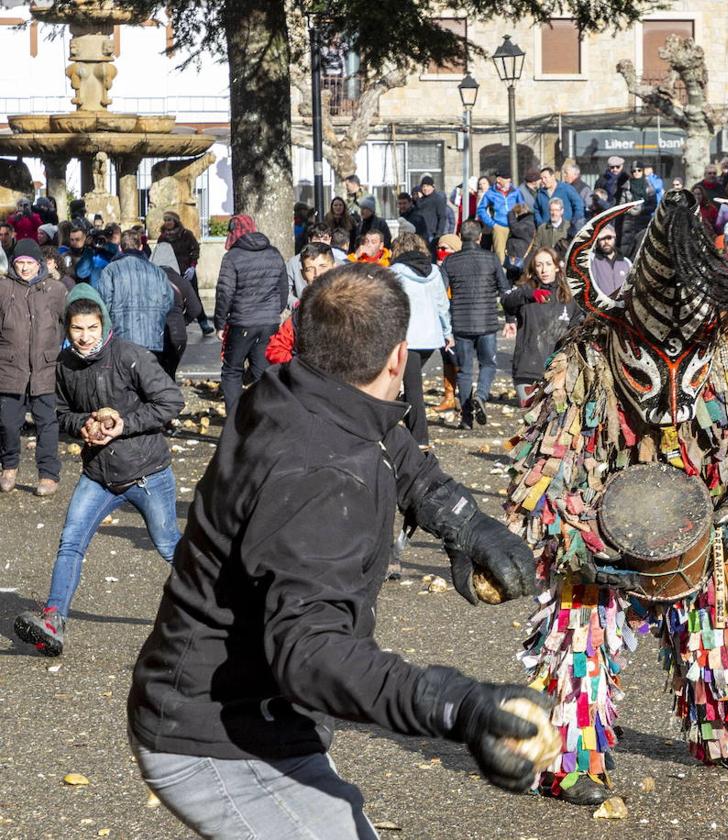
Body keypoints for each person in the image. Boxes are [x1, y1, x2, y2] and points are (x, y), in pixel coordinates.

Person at [127, 263, 549, 835]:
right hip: (217, 733)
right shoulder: (322, 476)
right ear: (400, 358)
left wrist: (463, 520)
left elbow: (394, 448)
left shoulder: (293, 387)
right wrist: (456, 704)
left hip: (262, 715)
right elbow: (309, 651)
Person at [508, 194, 728, 806]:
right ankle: (570, 756)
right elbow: (542, 471)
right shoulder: (588, 353)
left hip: (700, 522)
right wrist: (578, 537)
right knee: (581, 634)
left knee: (723, 623)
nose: (673, 400)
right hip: (602, 527)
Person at [14, 286, 184, 656]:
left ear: (103, 323)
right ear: (68, 329)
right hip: (99, 476)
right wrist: (83, 426)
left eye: (91, 327)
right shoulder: (65, 366)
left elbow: (172, 400)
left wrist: (125, 423)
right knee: (70, 542)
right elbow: (59, 412)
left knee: (169, 544)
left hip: (147, 472)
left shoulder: (130, 356)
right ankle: (53, 620)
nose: (85, 336)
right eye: (77, 329)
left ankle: (225, 605)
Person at [0, 240, 67, 496]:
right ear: (13, 264)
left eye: (29, 263)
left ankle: (48, 474)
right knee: (7, 422)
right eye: (20, 263)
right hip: (9, 367)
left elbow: (66, 321)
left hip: (45, 367)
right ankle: (8, 467)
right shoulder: (3, 288)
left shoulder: (55, 289)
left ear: (39, 263)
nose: (25, 268)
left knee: (47, 423)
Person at [214, 214, 288, 416]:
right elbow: (283, 289)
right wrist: (275, 312)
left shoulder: (232, 257)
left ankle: (236, 420)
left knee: (232, 370)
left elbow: (224, 292)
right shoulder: (274, 253)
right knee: (261, 370)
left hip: (242, 321)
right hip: (269, 320)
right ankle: (264, 416)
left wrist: (220, 323)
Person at [442, 220, 510, 429]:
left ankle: (466, 418)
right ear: (480, 238)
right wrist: (510, 318)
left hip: (460, 323)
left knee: (464, 371)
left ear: (460, 237)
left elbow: (442, 294)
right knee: (488, 364)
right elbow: (504, 288)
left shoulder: (450, 262)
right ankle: (480, 395)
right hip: (487, 322)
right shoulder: (490, 259)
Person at [389, 232, 451, 448]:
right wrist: (447, 332)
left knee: (412, 388)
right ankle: (411, 426)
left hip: (408, 337)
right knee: (409, 386)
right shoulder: (434, 271)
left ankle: (419, 438)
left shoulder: (395, 273)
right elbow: (442, 305)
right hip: (430, 338)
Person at [502, 247, 580, 406]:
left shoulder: (569, 296)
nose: (543, 269)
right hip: (528, 368)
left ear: (557, 266)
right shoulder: (526, 290)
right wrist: (529, 295)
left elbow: (576, 329)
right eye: (539, 265)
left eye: (548, 264)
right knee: (530, 418)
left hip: (557, 371)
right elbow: (506, 301)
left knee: (553, 421)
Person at [95, 229, 173, 358]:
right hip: (152, 338)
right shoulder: (157, 271)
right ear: (141, 247)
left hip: (121, 339)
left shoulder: (111, 270)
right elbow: (168, 302)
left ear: (120, 248)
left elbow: (103, 303)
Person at [264, 243, 337, 366]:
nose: (317, 274)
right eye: (310, 269)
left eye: (323, 266)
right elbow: (276, 348)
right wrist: (298, 370)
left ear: (334, 268)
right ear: (303, 274)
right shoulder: (301, 313)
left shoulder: (354, 305)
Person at [150, 242, 203, 380]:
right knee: (169, 375)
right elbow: (196, 308)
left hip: (152, 334)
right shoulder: (181, 282)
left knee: (153, 377)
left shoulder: (147, 280)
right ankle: (171, 399)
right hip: (177, 334)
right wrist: (183, 321)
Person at [156, 211, 212, 336]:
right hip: (170, 272)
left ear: (175, 221)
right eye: (165, 220)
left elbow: (195, 250)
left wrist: (192, 266)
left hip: (186, 270)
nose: (167, 223)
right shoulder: (163, 237)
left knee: (193, 296)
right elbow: (159, 254)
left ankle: (203, 322)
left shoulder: (186, 234)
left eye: (170, 220)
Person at [477, 168, 522, 259]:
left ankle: (514, 271)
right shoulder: (490, 193)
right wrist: (492, 224)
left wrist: (520, 221)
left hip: (515, 226)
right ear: (498, 179)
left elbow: (523, 207)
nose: (509, 180)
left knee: (515, 253)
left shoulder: (515, 192)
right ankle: (501, 271)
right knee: (500, 255)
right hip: (499, 227)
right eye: (506, 178)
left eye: (509, 178)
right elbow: (481, 209)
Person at [534, 166, 585, 233]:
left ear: (553, 177)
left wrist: (574, 221)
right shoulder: (540, 193)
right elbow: (536, 210)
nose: (543, 181)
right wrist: (540, 224)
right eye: (541, 178)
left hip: (565, 230)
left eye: (545, 178)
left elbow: (579, 205)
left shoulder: (566, 189)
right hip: (546, 231)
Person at [589, 223, 631, 297]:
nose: (606, 242)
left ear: (614, 238)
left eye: (609, 238)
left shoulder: (626, 263)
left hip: (623, 306)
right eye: (602, 238)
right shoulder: (592, 262)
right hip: (601, 307)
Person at [414, 175, 452, 248]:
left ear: (433, 187)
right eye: (423, 186)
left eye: (428, 186)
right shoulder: (421, 199)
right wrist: (417, 199)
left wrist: (438, 235)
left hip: (431, 235)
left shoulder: (437, 199)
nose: (425, 188)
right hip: (420, 234)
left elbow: (442, 217)